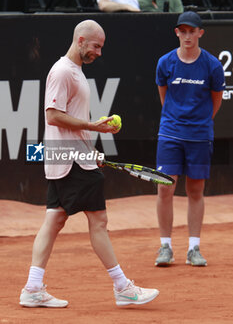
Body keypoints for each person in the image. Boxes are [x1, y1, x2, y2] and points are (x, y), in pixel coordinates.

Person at [19, 20, 159, 308]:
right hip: (70, 159)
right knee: (99, 221)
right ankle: (123, 287)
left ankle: (33, 288)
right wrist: (93, 128)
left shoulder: (77, 73)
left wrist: (90, 150)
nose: (99, 52)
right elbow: (53, 116)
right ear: (81, 40)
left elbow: (70, 125)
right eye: (96, 46)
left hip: (70, 156)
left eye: (101, 47)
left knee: (54, 219)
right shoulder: (62, 72)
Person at [155, 11, 224, 267]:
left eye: (191, 31)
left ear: (200, 33)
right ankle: (165, 246)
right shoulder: (165, 63)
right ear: (177, 33)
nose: (187, 36)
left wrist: (202, 121)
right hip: (170, 133)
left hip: (199, 136)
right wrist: (176, 119)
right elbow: (165, 97)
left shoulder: (212, 65)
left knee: (195, 190)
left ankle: (194, 248)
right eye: (182, 31)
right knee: (164, 188)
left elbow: (216, 100)